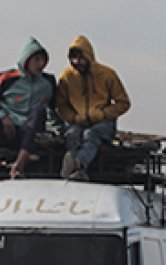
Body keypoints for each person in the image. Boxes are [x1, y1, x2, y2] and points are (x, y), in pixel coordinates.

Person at [0, 37, 56, 181]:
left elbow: (56, 110)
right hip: (6, 131)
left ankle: (19, 166)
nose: (41, 64)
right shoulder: (8, 78)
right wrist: (4, 116)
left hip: (28, 135)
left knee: (39, 111)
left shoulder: (48, 83)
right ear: (27, 59)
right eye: (36, 60)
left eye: (43, 60)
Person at [55, 35, 131, 180]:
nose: (77, 62)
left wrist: (102, 114)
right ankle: (74, 166)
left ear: (89, 56)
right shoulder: (67, 77)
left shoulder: (107, 75)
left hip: (103, 122)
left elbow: (123, 103)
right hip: (78, 121)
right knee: (72, 135)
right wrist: (73, 117)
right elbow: (61, 105)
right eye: (74, 59)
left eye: (81, 58)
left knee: (91, 135)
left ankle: (78, 164)